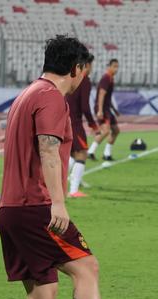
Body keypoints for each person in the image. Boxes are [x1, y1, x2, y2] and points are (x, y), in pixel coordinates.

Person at [0, 35, 146, 299]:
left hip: (11, 209)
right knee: (86, 267)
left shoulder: (27, 93)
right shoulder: (51, 97)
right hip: (36, 206)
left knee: (42, 294)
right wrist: (58, 203)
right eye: (85, 71)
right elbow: (48, 150)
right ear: (77, 68)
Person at [66, 53, 98, 197]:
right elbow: (85, 106)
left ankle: (51, 184)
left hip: (66, 119)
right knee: (82, 153)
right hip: (75, 122)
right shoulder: (84, 80)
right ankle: (73, 190)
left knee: (73, 154)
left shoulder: (71, 77)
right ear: (87, 65)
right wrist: (93, 124)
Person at [87, 59, 120, 161]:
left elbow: (107, 97)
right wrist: (100, 110)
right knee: (106, 131)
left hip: (107, 108)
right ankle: (90, 152)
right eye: (114, 66)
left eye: (117, 67)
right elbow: (101, 94)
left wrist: (114, 110)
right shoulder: (106, 78)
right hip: (102, 108)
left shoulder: (110, 78)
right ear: (109, 67)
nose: (116, 69)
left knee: (116, 130)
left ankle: (107, 154)